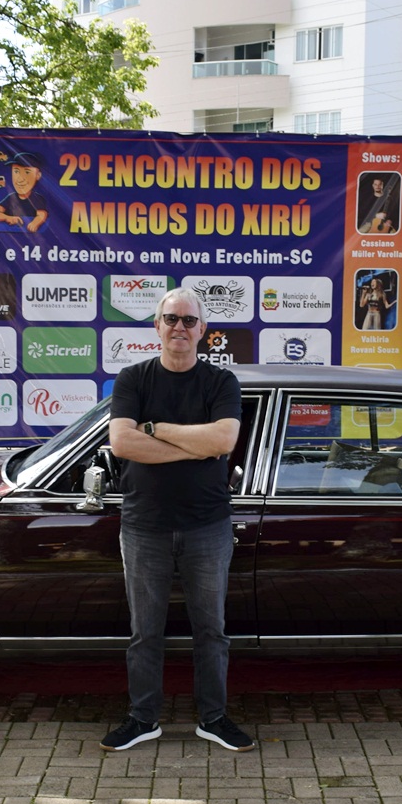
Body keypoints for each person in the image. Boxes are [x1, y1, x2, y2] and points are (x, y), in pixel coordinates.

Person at [103, 286, 251, 752]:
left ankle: (214, 718)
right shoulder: (133, 379)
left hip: (208, 525)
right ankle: (143, 719)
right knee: (145, 633)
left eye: (189, 320)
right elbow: (122, 444)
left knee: (212, 632)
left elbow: (222, 441)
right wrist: (194, 446)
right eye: (171, 319)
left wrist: (157, 430)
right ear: (157, 326)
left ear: (203, 329)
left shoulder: (221, 382)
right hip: (144, 525)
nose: (180, 328)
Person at [0, 151, 48, 233]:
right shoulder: (11, 198)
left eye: (27, 172)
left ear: (38, 175)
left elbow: (42, 214)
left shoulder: (36, 198)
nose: (20, 179)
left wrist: (35, 223)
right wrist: (7, 218)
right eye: (16, 171)